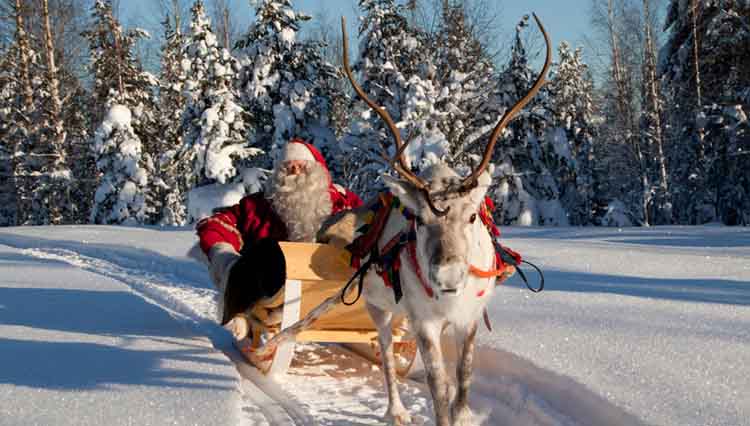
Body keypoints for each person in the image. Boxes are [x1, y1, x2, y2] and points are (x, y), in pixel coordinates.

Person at [196, 138, 362, 338]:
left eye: (301, 166)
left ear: (317, 170)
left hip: (334, 286)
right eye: (288, 167)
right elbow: (216, 224)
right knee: (266, 251)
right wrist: (223, 254)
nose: (295, 172)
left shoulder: (343, 202)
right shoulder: (258, 206)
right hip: (276, 287)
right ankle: (252, 308)